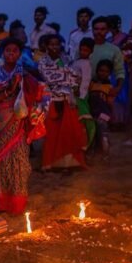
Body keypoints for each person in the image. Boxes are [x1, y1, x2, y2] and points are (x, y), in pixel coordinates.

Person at [0, 38, 49, 214]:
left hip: (17, 124)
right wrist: (9, 90)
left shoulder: (25, 74)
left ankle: (15, 203)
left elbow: (38, 92)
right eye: (8, 50)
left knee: (18, 163)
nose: (11, 53)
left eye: (15, 50)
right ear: (2, 53)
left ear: (20, 54)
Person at [38, 34, 87, 170]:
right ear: (46, 46)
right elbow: (49, 78)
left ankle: (70, 163)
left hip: (68, 99)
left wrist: (69, 83)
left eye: (57, 44)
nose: (54, 47)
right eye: (51, 44)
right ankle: (51, 163)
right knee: (52, 132)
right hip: (51, 99)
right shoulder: (43, 62)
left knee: (69, 130)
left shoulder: (67, 59)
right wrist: (65, 79)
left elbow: (75, 76)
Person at [89, 17, 126, 125]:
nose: (99, 32)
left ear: (107, 30)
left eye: (102, 29)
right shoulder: (85, 47)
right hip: (86, 88)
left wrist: (118, 88)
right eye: (96, 29)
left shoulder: (114, 50)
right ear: (92, 30)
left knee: (104, 117)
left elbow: (120, 71)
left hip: (105, 90)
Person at [72, 38, 97, 152]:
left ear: (91, 51)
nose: (83, 52)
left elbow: (86, 81)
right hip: (74, 94)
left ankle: (87, 143)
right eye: (81, 50)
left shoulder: (86, 64)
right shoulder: (76, 61)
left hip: (81, 95)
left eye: (86, 50)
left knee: (85, 118)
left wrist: (80, 94)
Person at [88, 60, 115, 159]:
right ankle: (94, 153)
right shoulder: (91, 84)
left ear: (110, 73)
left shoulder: (110, 87)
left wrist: (112, 115)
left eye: (106, 71)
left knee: (103, 133)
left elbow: (110, 103)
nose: (103, 73)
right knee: (93, 133)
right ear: (97, 71)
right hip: (92, 112)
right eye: (101, 70)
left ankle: (105, 155)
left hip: (104, 114)